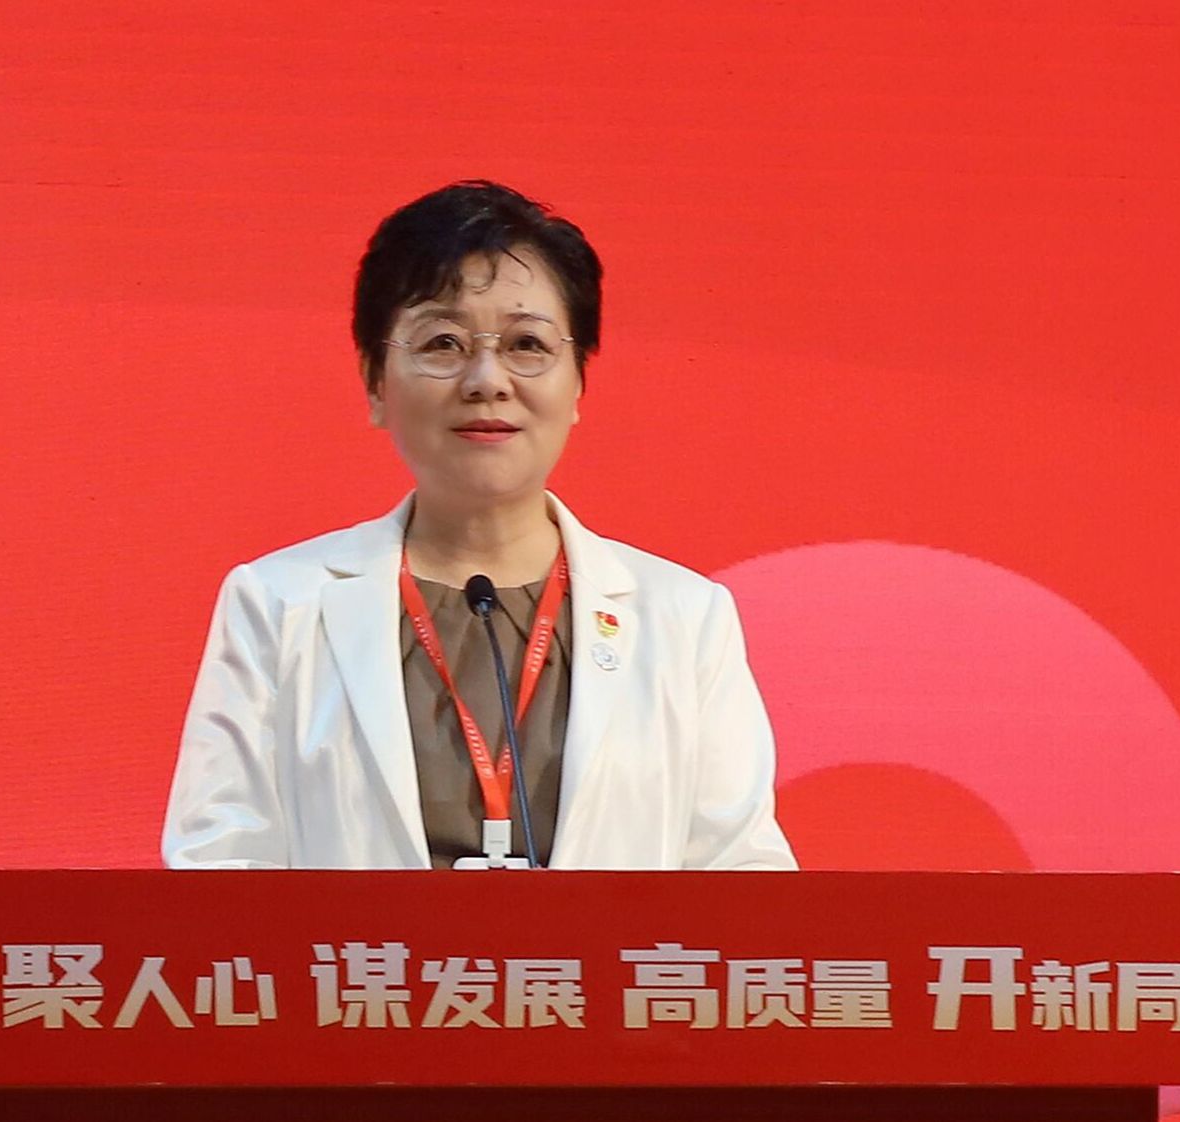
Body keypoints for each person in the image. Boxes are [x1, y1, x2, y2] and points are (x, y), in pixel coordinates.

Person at [162, 181, 795, 871]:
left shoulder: (686, 618)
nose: (487, 380)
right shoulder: (275, 604)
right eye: (443, 342)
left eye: (527, 344)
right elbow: (219, 874)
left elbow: (742, 880)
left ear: (578, 384)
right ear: (375, 382)